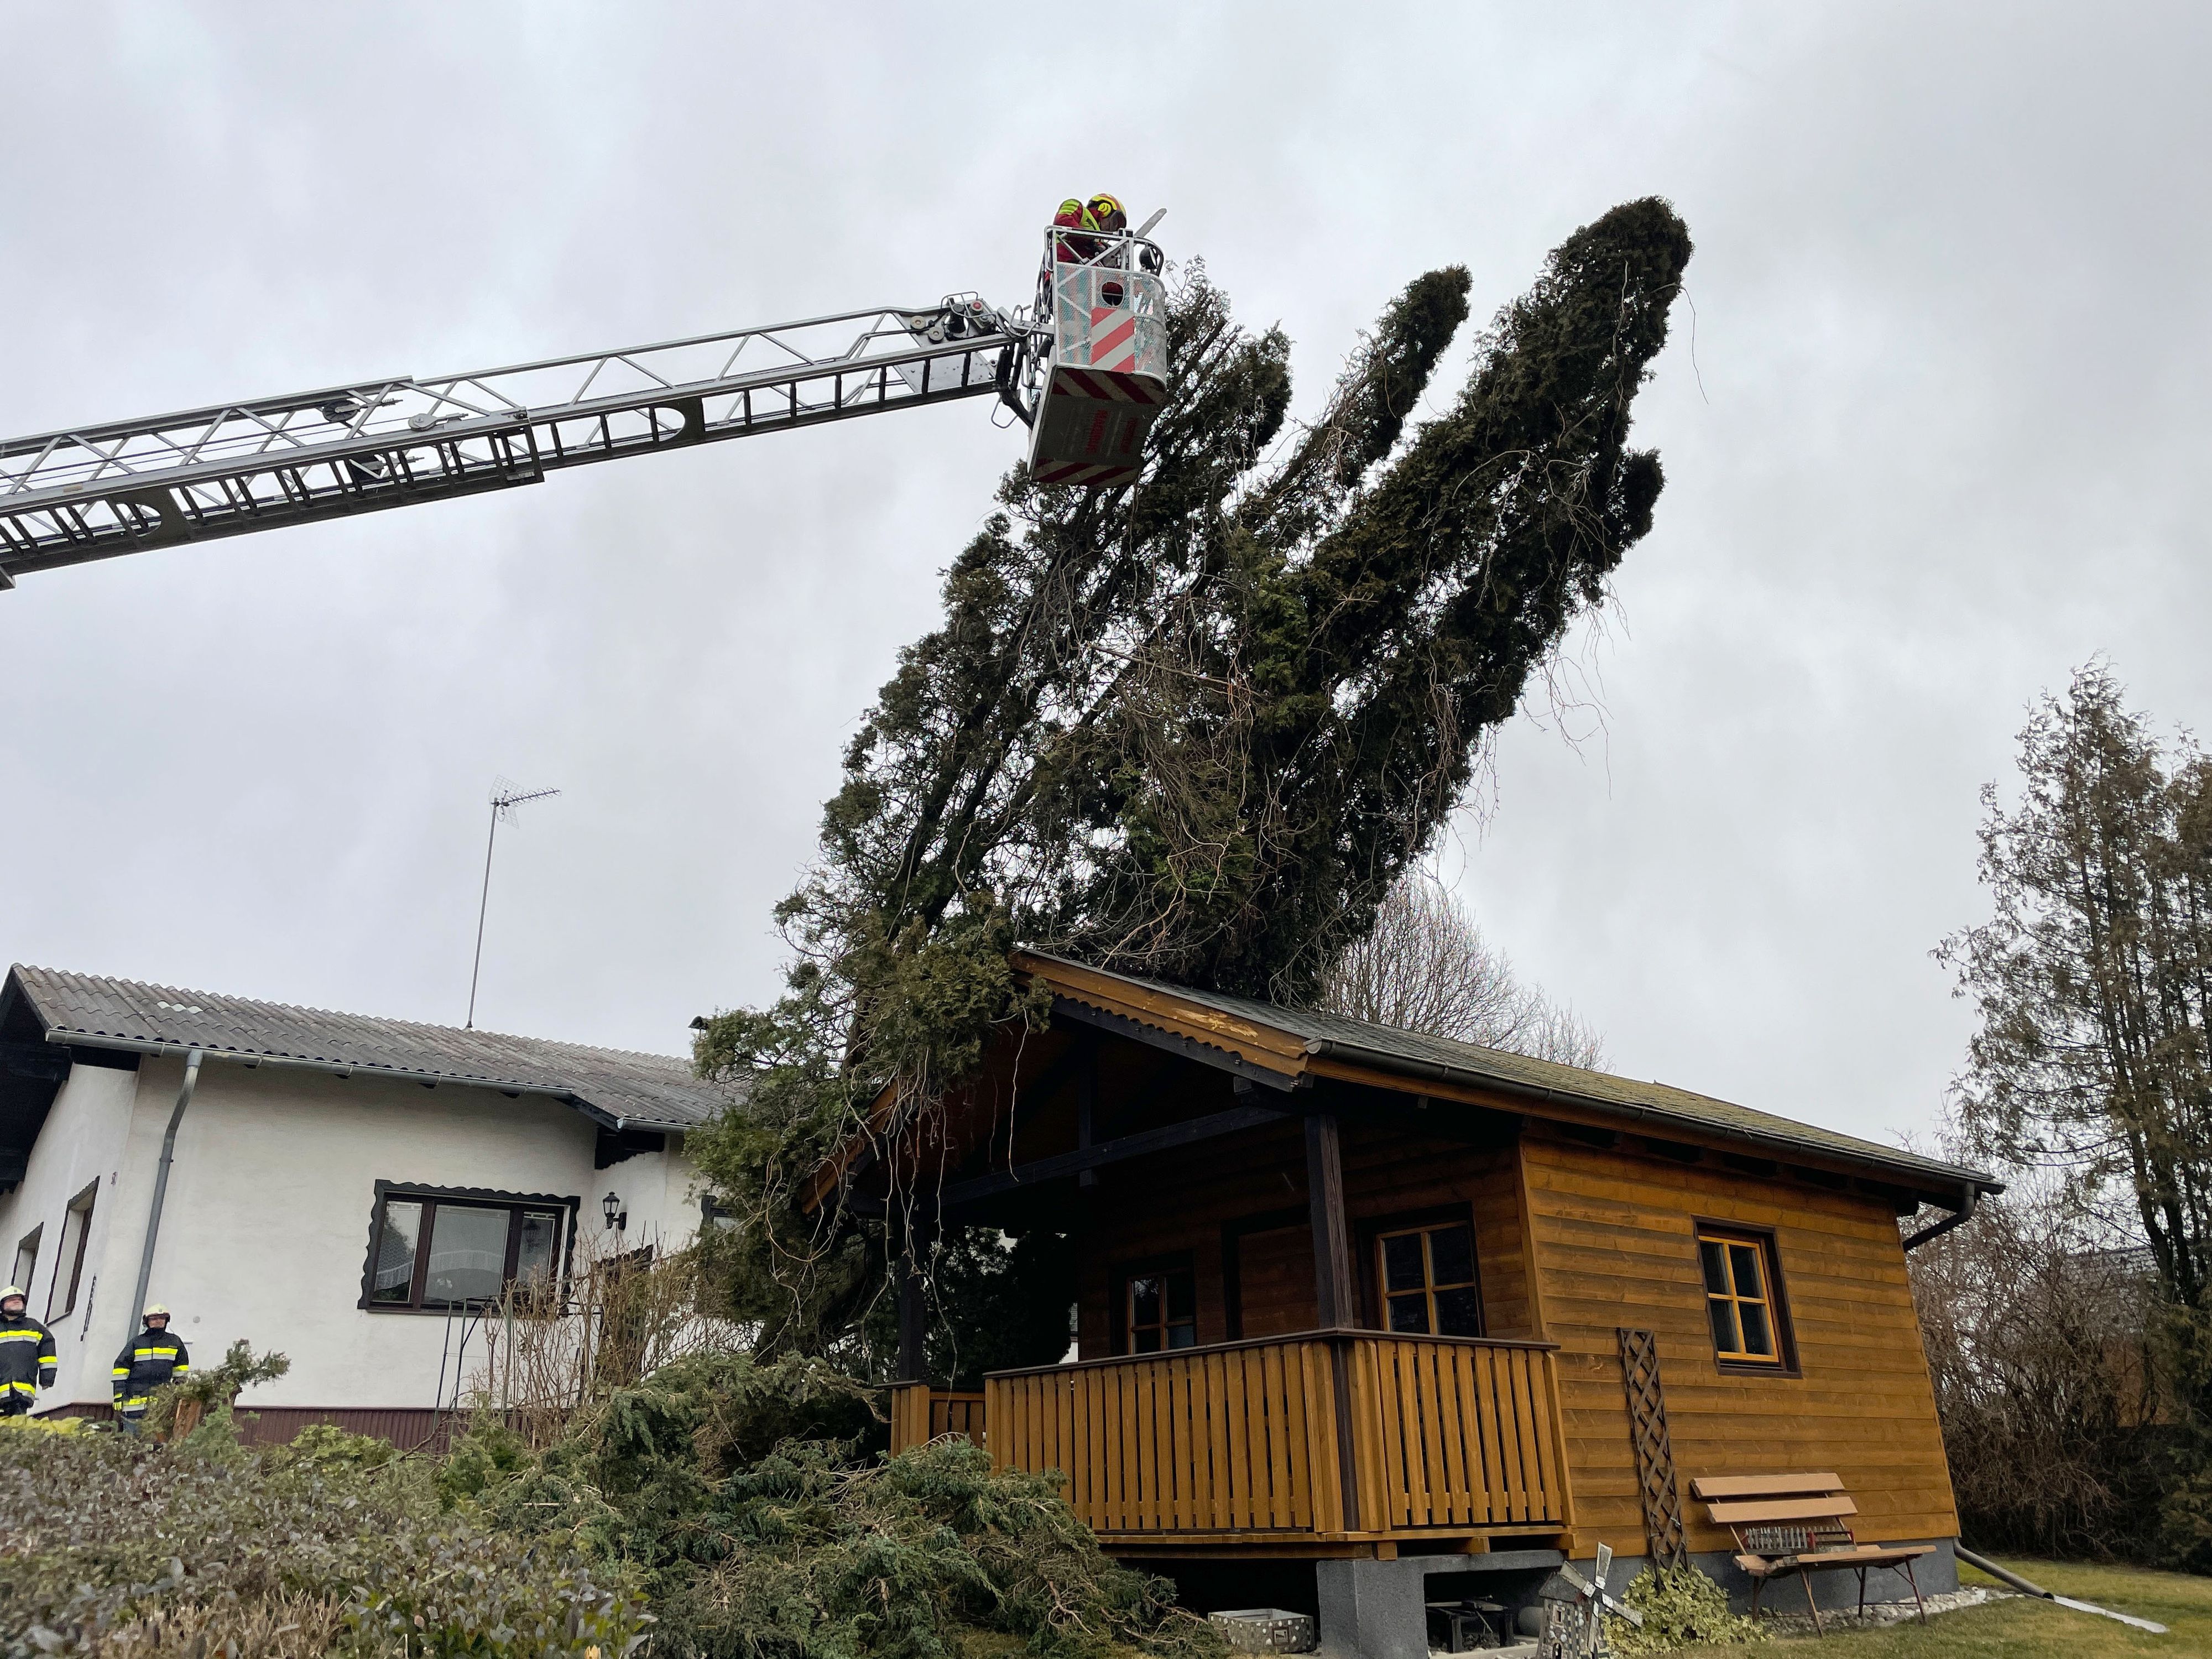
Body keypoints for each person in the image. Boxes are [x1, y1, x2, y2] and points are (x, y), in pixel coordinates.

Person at [112, 1303, 189, 1432]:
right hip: (133, 1402)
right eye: (154, 1319)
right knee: (131, 1442)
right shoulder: (137, 1343)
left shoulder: (175, 1342)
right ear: (147, 1322)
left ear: (166, 1321)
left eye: (161, 1318)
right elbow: (120, 1369)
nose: (158, 1321)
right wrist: (119, 1394)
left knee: (156, 1443)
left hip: (161, 1404)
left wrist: (178, 1393)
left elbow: (181, 1372)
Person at [0, 1286, 56, 1417]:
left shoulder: (35, 1328)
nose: (17, 1302)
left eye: (19, 1300)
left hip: (22, 1391)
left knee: (17, 1428)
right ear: (2, 1305)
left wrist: (47, 1378)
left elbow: (48, 1354)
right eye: (12, 1300)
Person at [1052, 196, 1099, 263]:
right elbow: (1063, 220)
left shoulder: (1099, 234)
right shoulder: (1077, 207)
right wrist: (1090, 240)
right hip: (1067, 263)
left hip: (1081, 268)